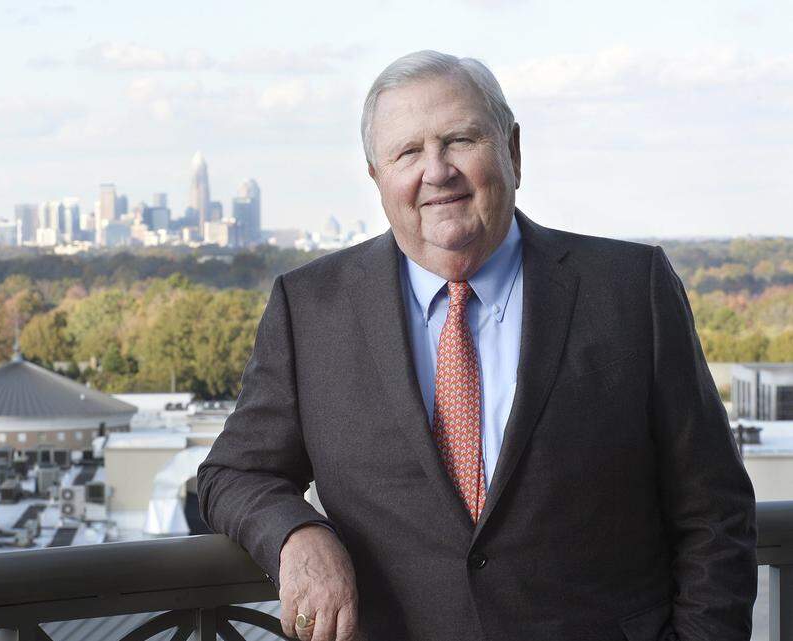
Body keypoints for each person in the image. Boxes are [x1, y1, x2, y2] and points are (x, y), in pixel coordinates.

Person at [197, 50, 757, 641]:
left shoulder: (629, 289)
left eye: (459, 140)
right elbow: (234, 473)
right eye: (407, 152)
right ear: (377, 177)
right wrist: (298, 535)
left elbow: (714, 510)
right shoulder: (310, 308)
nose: (437, 171)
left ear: (512, 150)